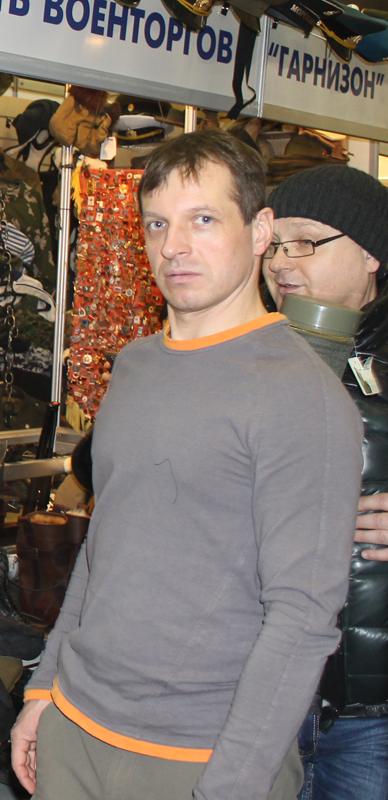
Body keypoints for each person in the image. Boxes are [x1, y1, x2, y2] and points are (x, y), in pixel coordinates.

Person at [9, 130, 363, 800]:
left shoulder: (302, 397)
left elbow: (303, 617)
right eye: (157, 224)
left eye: (203, 220)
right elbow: (105, 544)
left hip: (197, 755)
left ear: (260, 231)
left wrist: (231, 785)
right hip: (75, 730)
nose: (174, 246)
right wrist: (45, 689)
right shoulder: (135, 366)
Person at [264, 164, 388, 800]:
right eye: (273, 244)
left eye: (306, 241)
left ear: (370, 254)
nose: (282, 261)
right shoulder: (248, 345)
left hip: (373, 712)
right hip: (259, 696)